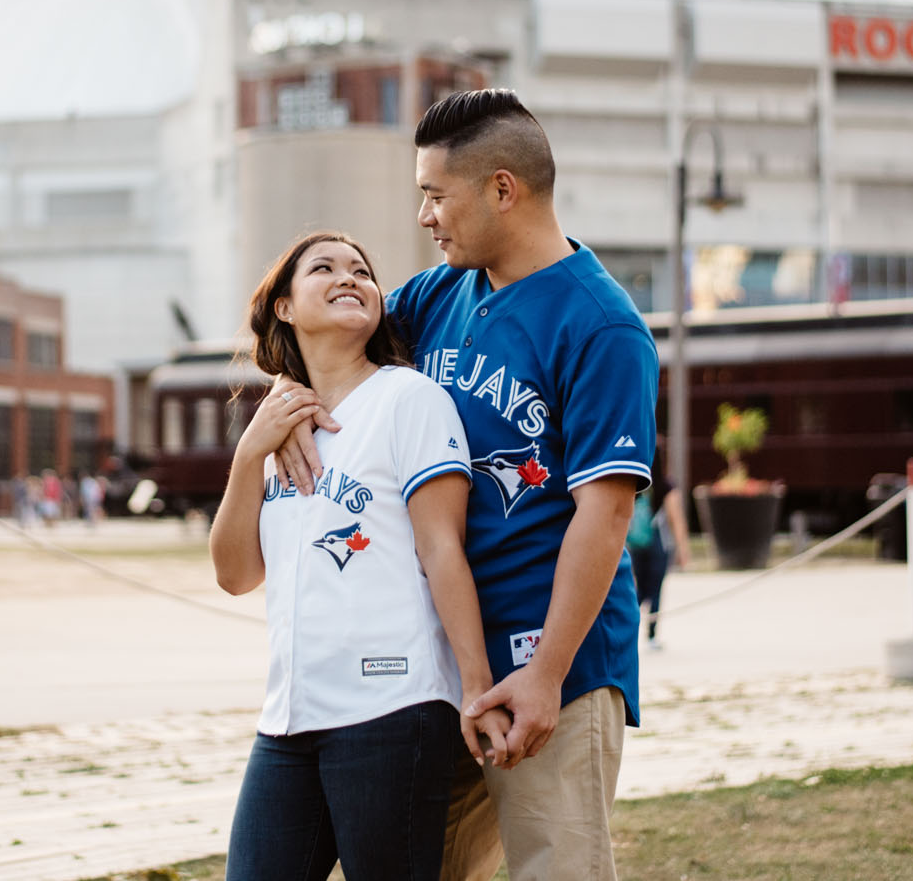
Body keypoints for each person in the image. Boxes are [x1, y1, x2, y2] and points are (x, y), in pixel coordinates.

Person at [276, 89, 658, 881]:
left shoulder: (601, 325)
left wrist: (548, 672)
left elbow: (607, 512)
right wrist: (279, 414)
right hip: (444, 664)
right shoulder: (434, 297)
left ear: (502, 190)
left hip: (555, 666)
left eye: (435, 195)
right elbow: (326, 331)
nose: (424, 217)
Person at [212, 231, 509, 881]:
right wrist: (249, 452)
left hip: (392, 708)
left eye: (363, 271)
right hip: (290, 716)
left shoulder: (409, 399)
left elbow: (441, 548)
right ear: (285, 306)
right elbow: (235, 574)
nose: (351, 278)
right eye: (325, 268)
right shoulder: (282, 425)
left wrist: (477, 687)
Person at [627, 441, 689, 653]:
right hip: (658, 544)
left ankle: (628, 631)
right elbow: (676, 519)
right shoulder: (666, 486)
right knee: (655, 590)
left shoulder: (636, 483)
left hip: (635, 543)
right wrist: (682, 549)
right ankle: (651, 635)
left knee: (638, 590)